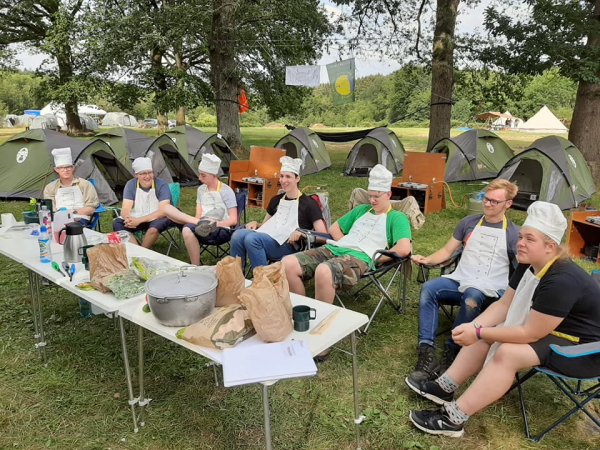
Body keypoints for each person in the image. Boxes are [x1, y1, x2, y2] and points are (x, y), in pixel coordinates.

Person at [407, 201, 600, 438]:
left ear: (550, 246)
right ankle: (444, 387)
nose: (520, 243)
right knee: (489, 328)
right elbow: (504, 304)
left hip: (585, 350)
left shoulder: (561, 280)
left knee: (507, 351)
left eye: (530, 239)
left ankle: (453, 419)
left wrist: (478, 333)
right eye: (521, 237)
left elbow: (530, 334)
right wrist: (475, 326)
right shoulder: (529, 264)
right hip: (553, 331)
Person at [283, 165, 411, 360]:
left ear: (388, 194)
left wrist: (376, 258)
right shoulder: (361, 210)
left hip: (361, 257)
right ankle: (303, 318)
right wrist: (344, 242)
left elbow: (404, 248)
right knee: (288, 263)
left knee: (324, 271)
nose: (372, 200)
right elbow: (334, 228)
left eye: (377, 196)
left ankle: (321, 339)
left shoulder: (397, 217)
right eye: (370, 195)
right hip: (336, 248)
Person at [409, 179, 520, 382]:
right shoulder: (469, 222)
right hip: (462, 278)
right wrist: (428, 260)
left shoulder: (513, 233)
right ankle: (426, 351)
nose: (487, 204)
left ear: (508, 204)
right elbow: (447, 250)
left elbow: (522, 266)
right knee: (429, 288)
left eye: (495, 202)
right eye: (486, 199)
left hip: (491, 288)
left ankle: (453, 349)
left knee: (472, 295)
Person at [230, 156, 326, 271]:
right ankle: (236, 277)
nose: (283, 180)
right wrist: (256, 223)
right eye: (281, 176)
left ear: (297, 178)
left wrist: (302, 234)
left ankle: (263, 282)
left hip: (290, 245)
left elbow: (323, 235)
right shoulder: (276, 200)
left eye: (288, 177)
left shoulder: (309, 204)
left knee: (252, 239)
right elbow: (265, 226)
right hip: (269, 237)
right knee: (238, 235)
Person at [163, 153, 238, 265]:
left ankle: (195, 265)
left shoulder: (226, 191)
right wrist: (199, 222)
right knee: (167, 208)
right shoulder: (201, 190)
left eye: (203, 175)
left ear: (213, 175)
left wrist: (215, 224)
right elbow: (198, 215)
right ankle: (200, 224)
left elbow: (233, 220)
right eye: (200, 175)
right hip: (199, 224)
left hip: (220, 229)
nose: (199, 178)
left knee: (187, 229)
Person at [112, 157, 174, 248]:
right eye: (143, 173)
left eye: (150, 172)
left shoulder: (161, 185)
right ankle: (135, 250)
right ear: (136, 175)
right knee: (117, 223)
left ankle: (142, 252)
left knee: (156, 225)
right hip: (138, 215)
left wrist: (138, 220)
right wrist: (127, 218)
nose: (148, 176)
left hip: (158, 217)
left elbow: (163, 211)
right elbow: (125, 208)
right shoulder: (131, 185)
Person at [43, 147, 99, 227]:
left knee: (71, 227)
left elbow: (91, 209)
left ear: (73, 168)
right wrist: (62, 216)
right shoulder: (50, 188)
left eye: (68, 167)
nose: (65, 170)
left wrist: (73, 212)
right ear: (56, 169)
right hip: (58, 219)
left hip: (80, 218)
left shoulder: (85, 184)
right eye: (62, 168)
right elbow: (51, 210)